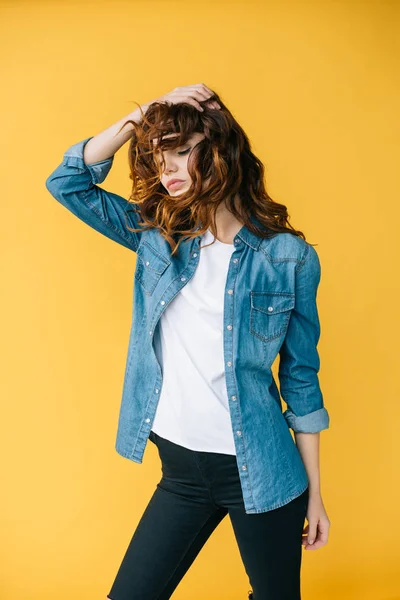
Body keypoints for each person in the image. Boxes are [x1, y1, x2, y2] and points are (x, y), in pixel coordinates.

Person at [45, 83, 331, 600]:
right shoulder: (158, 235)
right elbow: (67, 182)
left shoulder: (288, 258)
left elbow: (301, 380)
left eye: (180, 152)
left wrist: (316, 496)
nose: (167, 171)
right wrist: (142, 114)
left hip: (263, 474)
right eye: (157, 158)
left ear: (220, 151)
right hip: (182, 470)